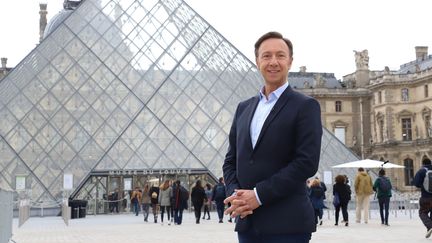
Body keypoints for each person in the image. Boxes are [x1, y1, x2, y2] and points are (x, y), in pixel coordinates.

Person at [222, 31, 323, 243]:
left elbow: (306, 163)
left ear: (290, 61)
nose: (273, 62)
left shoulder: (305, 106)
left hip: (288, 225)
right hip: (247, 223)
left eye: (280, 55)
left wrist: (258, 196)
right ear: (257, 61)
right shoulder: (243, 108)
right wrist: (237, 197)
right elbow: (231, 160)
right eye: (266, 56)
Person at [414, 157, 432, 238]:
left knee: (422, 212)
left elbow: (416, 183)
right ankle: (429, 228)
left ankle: (430, 226)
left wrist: (422, 185)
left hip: (426, 196)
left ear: (423, 163)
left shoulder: (422, 171)